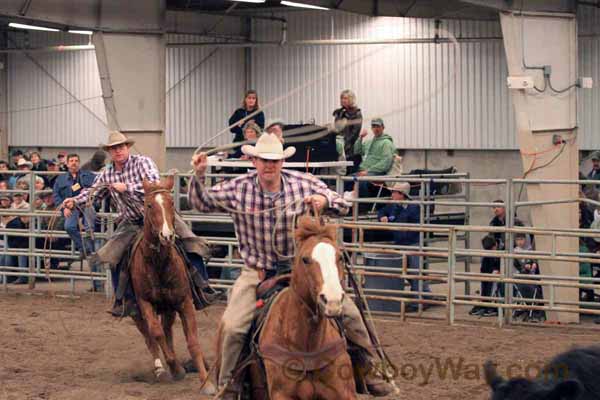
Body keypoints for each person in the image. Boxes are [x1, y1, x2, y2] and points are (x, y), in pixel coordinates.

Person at [189, 133, 395, 398]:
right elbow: (200, 202)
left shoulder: (304, 183)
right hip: (257, 272)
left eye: (274, 160)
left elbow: (343, 202)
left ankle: (369, 370)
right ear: (254, 161)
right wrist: (199, 176)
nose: (269, 165)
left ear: (282, 162)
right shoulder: (238, 188)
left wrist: (326, 201)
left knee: (350, 315)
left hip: (302, 271)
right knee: (232, 326)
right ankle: (228, 384)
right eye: (263, 160)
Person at [62, 131, 215, 316]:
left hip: (158, 215)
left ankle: (203, 288)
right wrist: (74, 201)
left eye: (120, 147)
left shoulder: (143, 162)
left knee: (189, 241)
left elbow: (154, 185)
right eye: (113, 149)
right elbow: (93, 193)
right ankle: (124, 300)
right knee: (113, 255)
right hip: (132, 220)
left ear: (127, 148)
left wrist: (128, 188)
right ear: (109, 152)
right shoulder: (107, 173)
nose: (118, 151)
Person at [377, 181, 430, 308]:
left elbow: (410, 224)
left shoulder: (413, 208)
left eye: (394, 192)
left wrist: (392, 221)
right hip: (401, 243)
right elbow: (382, 211)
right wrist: (382, 217)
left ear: (402, 194)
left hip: (412, 244)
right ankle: (424, 296)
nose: (392, 195)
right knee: (408, 272)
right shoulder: (394, 206)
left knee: (415, 272)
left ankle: (420, 300)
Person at [53, 154, 98, 277]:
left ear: (79, 163)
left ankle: (89, 240)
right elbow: (56, 196)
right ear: (67, 164)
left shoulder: (88, 175)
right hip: (71, 207)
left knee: (89, 228)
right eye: (71, 161)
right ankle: (84, 248)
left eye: (76, 161)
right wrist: (64, 208)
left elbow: (97, 189)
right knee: (69, 227)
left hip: (87, 205)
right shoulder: (60, 179)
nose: (74, 163)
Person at [348, 118, 395, 198]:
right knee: (347, 179)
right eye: (374, 126)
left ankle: (364, 205)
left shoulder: (386, 143)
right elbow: (357, 151)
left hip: (377, 173)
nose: (376, 129)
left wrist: (368, 171)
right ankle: (348, 205)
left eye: (378, 126)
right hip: (364, 172)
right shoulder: (369, 142)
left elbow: (386, 163)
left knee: (361, 181)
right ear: (371, 128)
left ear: (383, 127)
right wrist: (360, 138)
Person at [513, 233, 545, 323]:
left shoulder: (530, 250)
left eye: (522, 239)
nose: (520, 242)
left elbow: (534, 262)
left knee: (537, 289)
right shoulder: (514, 252)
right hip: (520, 278)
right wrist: (524, 268)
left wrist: (534, 264)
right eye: (517, 240)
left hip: (531, 278)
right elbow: (515, 267)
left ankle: (535, 311)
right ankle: (527, 309)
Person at [469, 235, 502, 317]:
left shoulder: (501, 251)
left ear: (495, 245)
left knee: (493, 284)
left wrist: (497, 271)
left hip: (498, 277)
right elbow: (483, 270)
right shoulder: (486, 256)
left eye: (492, 249)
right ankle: (485, 303)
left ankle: (490, 305)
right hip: (490, 276)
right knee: (485, 283)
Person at [333, 89, 363, 174]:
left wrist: (345, 145)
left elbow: (355, 133)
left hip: (350, 147)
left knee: (348, 174)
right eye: (342, 98)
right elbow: (336, 129)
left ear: (351, 99)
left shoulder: (357, 113)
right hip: (339, 145)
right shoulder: (339, 113)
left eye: (345, 98)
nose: (343, 100)